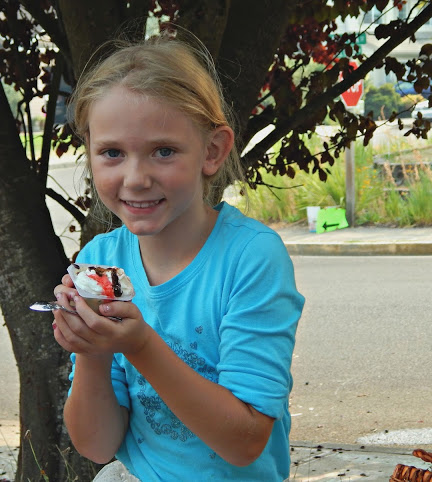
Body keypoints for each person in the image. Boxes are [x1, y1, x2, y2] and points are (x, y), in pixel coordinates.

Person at [51, 33, 305, 481]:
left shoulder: (251, 258)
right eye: (112, 153)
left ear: (212, 151)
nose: (135, 178)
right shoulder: (100, 259)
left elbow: (244, 442)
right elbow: (96, 444)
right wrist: (92, 351)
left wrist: (140, 345)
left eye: (163, 151)